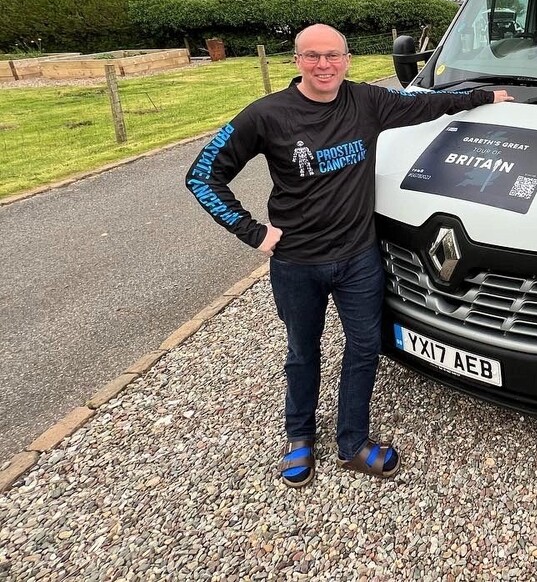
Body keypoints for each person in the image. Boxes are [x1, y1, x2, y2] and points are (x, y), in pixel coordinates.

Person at [186, 24, 512, 487]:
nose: (324, 65)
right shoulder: (266, 115)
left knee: (364, 348)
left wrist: (483, 96)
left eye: (333, 55)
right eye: (313, 56)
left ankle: (352, 443)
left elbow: (427, 103)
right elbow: (202, 175)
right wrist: (252, 232)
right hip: (297, 263)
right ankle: (298, 437)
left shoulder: (366, 101)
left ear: (347, 59)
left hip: (359, 258)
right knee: (303, 351)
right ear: (296, 60)